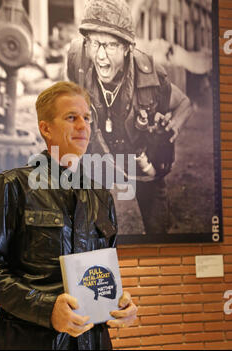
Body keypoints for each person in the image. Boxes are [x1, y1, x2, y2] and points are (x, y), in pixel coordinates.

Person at [0, 81, 137, 350]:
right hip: (30, 342)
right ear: (45, 128)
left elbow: (103, 274)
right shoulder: (13, 186)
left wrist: (119, 300)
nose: (83, 126)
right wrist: (46, 309)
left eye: (87, 118)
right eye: (71, 118)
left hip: (93, 345)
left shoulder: (101, 195)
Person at [67, 0, 193, 234]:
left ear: (127, 48)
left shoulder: (151, 77)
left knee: (158, 232)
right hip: (99, 153)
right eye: (95, 43)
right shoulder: (78, 57)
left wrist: (171, 128)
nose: (101, 56)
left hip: (140, 158)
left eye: (111, 45)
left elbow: (184, 103)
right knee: (90, 231)